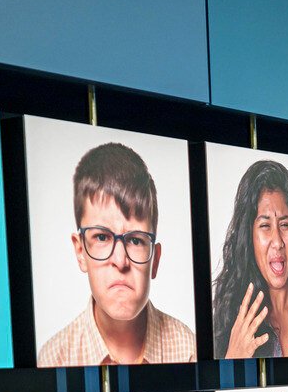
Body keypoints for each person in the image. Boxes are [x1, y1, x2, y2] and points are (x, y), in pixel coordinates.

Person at [37, 142, 196, 367]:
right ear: (80, 250)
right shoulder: (53, 359)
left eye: (135, 240)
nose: (120, 261)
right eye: (102, 237)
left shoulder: (188, 350)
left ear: (155, 259)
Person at [212, 159, 288, 358]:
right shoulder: (228, 317)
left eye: (285, 225)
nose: (277, 241)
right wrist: (232, 358)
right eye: (265, 226)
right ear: (248, 237)